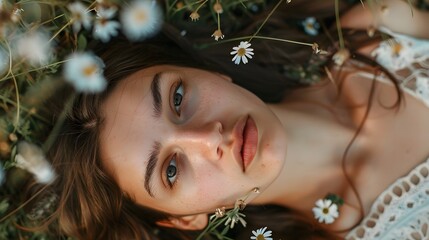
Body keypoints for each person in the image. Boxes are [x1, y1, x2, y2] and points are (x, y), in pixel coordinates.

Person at [32, 0, 429, 239]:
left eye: (178, 97)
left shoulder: (379, 28)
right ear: (184, 219)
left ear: (208, 72)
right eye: (171, 170)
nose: (208, 138)